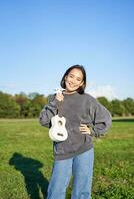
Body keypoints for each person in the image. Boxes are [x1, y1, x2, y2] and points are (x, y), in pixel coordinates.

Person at [39, 65, 112, 199]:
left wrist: (93, 131)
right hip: (62, 149)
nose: (73, 81)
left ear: (82, 83)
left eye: (78, 79)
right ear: (65, 77)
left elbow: (106, 118)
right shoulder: (55, 97)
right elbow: (44, 121)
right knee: (56, 190)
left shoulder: (87, 99)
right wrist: (55, 102)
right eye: (71, 76)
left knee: (82, 192)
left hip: (84, 149)